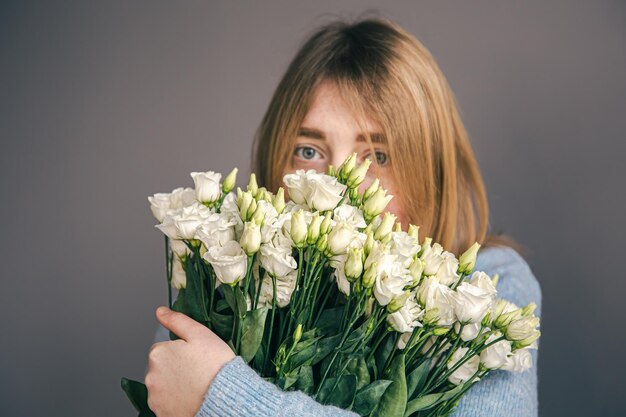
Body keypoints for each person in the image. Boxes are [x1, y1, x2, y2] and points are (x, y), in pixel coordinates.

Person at [145, 18, 542, 417]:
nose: (338, 189)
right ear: (273, 159)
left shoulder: (490, 288)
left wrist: (219, 394)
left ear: (430, 171)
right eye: (309, 151)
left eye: (377, 156)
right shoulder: (219, 276)